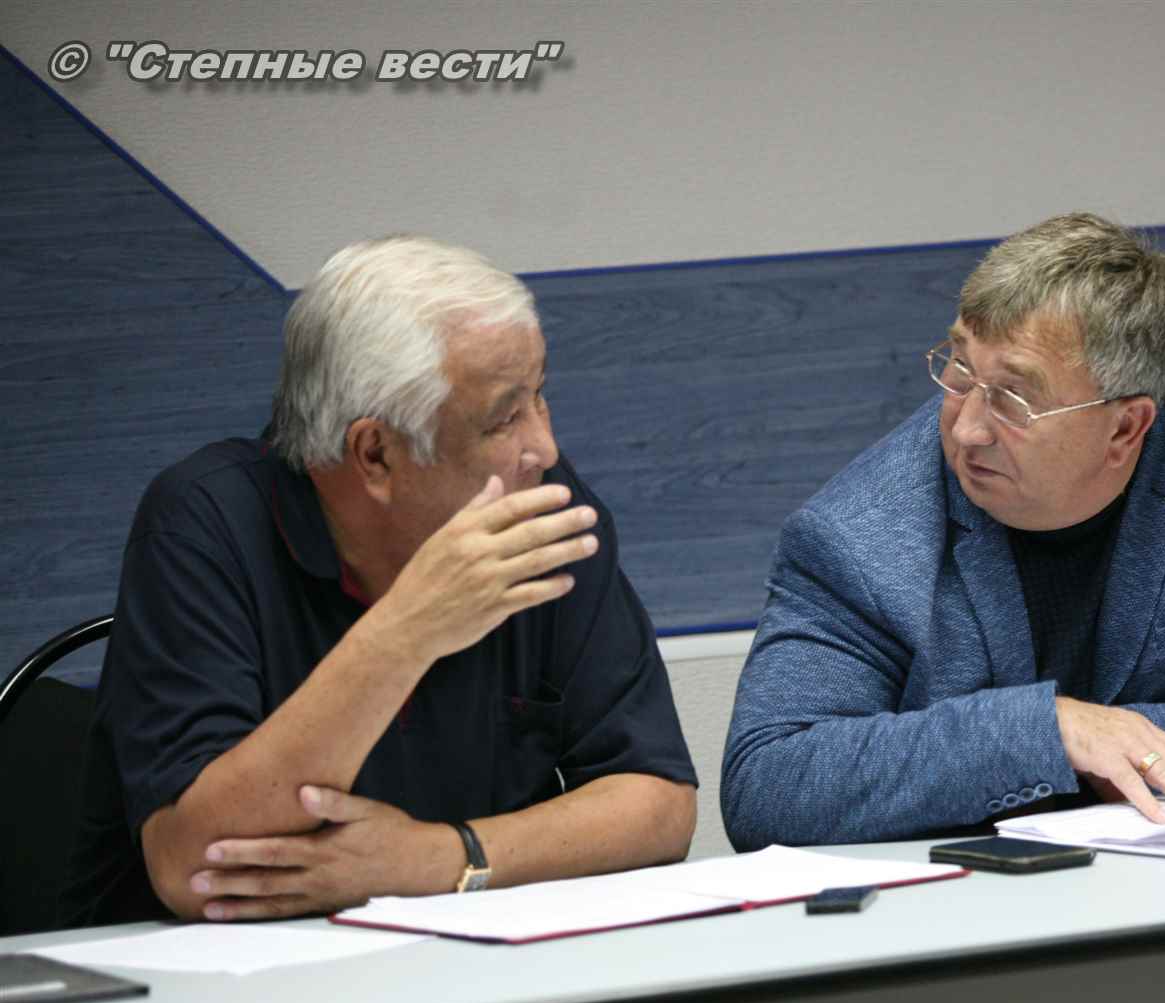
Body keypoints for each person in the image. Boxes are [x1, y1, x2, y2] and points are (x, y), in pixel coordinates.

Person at [62, 235, 696, 926]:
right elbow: (196, 868)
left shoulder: (537, 505)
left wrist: (438, 859)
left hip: (463, 961)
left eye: (539, 397)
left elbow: (659, 802)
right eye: (504, 417)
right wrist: (406, 631)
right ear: (374, 454)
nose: (543, 447)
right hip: (206, 975)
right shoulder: (204, 523)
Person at [721, 213, 1165, 851]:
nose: (967, 428)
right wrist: (1048, 734)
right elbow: (768, 784)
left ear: (1125, 427)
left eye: (1013, 397)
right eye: (959, 369)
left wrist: (1116, 743)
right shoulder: (857, 534)